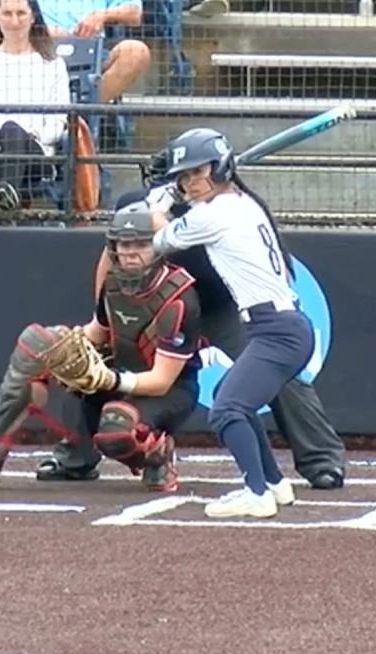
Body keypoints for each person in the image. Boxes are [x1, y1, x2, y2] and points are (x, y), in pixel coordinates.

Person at [39, 148, 348, 491]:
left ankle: (321, 460)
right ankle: (75, 458)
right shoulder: (136, 204)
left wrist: (161, 213)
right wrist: (107, 313)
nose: (184, 181)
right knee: (92, 364)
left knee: (277, 372)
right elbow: (110, 256)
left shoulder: (217, 206)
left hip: (218, 305)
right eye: (179, 175)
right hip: (157, 307)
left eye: (189, 174)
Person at [0, 201, 204, 493]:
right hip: (122, 374)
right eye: (124, 244)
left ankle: (157, 455)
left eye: (141, 244)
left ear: (158, 246)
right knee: (38, 344)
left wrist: (108, 378)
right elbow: (98, 332)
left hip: (171, 392)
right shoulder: (113, 283)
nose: (131, 253)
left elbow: (162, 381)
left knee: (116, 429)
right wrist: (58, 347)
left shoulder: (179, 298)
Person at [142, 128, 310, 519]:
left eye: (197, 172)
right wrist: (177, 196)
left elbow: (161, 240)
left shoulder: (215, 213)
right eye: (183, 176)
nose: (189, 182)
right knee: (233, 400)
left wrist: (157, 204)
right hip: (277, 326)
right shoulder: (241, 202)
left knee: (226, 409)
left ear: (219, 168)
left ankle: (256, 493)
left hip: (277, 330)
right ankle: (274, 483)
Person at [0, 0, 71, 212]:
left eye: (21, 13)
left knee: (11, 129)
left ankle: (4, 200)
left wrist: (31, 135)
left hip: (33, 153)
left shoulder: (53, 65)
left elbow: (58, 121)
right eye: (7, 14)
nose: (14, 21)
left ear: (33, 17)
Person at [0, 0, 150, 106]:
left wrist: (102, 15)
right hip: (33, 48)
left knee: (135, 52)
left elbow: (134, 13)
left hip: (89, 52)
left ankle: (81, 117)